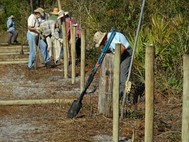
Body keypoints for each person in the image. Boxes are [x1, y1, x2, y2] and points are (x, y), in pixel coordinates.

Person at [93, 31, 133, 97]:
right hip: (122, 54)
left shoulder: (111, 39)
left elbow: (122, 48)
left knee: (123, 77)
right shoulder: (109, 38)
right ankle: (119, 95)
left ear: (103, 39)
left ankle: (126, 97)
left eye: (101, 43)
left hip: (126, 54)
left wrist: (115, 59)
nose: (102, 45)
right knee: (117, 75)